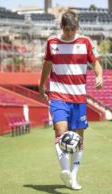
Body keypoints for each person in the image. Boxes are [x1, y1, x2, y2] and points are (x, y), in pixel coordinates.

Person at [39, 10, 103, 190]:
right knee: (61, 132)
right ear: (61, 27)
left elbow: (96, 63)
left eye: (73, 30)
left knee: (78, 138)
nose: (70, 33)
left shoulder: (85, 42)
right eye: (67, 30)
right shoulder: (52, 42)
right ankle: (65, 171)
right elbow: (47, 64)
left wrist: (99, 75)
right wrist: (41, 84)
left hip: (79, 98)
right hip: (58, 95)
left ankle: (74, 177)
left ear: (77, 27)